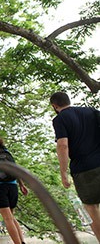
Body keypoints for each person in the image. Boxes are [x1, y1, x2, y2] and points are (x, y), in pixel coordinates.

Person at [50, 91, 100, 242]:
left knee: (92, 209)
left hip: (84, 170)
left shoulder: (60, 120)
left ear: (55, 106)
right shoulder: (91, 111)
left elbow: (63, 145)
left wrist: (63, 173)